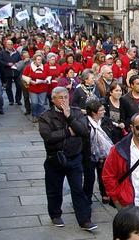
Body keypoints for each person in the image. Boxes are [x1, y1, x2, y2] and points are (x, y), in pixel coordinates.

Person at [38, 87, 96, 231]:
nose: (64, 100)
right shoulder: (46, 116)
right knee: (54, 189)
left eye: (65, 97)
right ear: (53, 100)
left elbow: (83, 131)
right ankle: (55, 215)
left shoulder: (76, 112)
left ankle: (84, 220)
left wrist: (69, 117)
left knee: (78, 189)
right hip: (54, 158)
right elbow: (48, 137)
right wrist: (68, 132)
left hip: (74, 157)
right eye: (60, 98)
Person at [82, 99, 114, 205]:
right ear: (94, 112)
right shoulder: (84, 123)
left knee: (104, 175)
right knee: (89, 177)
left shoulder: (106, 121)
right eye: (101, 110)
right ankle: (87, 197)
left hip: (104, 154)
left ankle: (105, 194)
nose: (104, 111)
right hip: (89, 154)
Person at [22, 54, 51, 121]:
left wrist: (46, 80)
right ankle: (34, 115)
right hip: (33, 88)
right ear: (34, 60)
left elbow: (49, 76)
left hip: (43, 88)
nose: (39, 61)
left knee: (41, 103)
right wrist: (30, 81)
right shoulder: (29, 67)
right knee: (34, 103)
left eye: (40, 59)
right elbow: (24, 76)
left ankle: (40, 116)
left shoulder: (45, 67)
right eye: (38, 59)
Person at [0, 40, 22, 106]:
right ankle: (11, 100)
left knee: (19, 86)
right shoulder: (2, 53)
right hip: (7, 71)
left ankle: (18, 99)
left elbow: (20, 60)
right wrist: (7, 64)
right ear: (6, 45)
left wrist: (17, 64)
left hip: (16, 71)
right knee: (8, 87)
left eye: (11, 44)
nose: (10, 45)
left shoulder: (16, 52)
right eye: (8, 44)